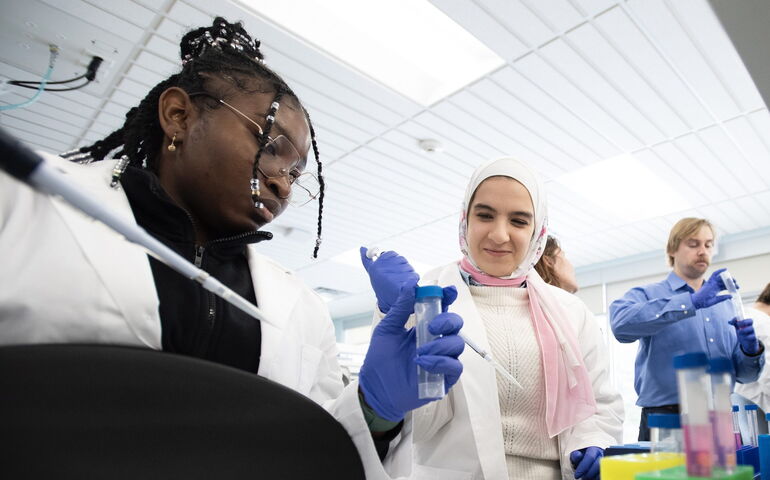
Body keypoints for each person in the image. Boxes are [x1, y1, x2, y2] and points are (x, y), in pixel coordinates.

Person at [0, 17, 466, 479]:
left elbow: (320, 445)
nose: (282, 185)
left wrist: (374, 408)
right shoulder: (25, 202)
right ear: (178, 116)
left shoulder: (298, 307)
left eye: (296, 174)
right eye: (270, 147)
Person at [361, 157, 623, 480]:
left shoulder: (570, 313)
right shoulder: (425, 299)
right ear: (464, 220)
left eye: (518, 221)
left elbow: (600, 404)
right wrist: (392, 312)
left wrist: (594, 441)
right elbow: (414, 424)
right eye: (485, 215)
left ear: (537, 230)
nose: (499, 235)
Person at [609, 218, 765, 441]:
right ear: (672, 249)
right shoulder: (648, 294)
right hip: (667, 422)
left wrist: (750, 352)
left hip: (721, 419)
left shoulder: (725, 303)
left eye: (708, 245)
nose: (703, 251)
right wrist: (690, 303)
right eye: (693, 244)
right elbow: (620, 324)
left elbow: (746, 376)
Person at [735, 282, 770, 412]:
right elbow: (768, 378)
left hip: (743, 406)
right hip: (760, 410)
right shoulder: (765, 324)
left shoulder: (745, 316)